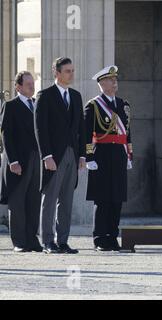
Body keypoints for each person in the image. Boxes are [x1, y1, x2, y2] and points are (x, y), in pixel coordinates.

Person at [34, 57, 86, 254]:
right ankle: (48, 241)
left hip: (72, 155)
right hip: (53, 156)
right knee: (50, 199)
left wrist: (82, 155)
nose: (71, 74)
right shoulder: (45, 96)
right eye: (67, 71)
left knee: (66, 200)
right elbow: (40, 129)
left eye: (72, 70)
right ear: (56, 73)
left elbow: (81, 127)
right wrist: (46, 156)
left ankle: (62, 240)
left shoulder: (76, 96)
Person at [84, 65, 133, 251]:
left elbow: (128, 133)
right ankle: (100, 238)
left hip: (119, 154)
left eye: (115, 79)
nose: (115, 82)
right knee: (102, 199)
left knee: (117, 199)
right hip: (102, 155)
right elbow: (87, 133)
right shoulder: (94, 105)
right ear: (102, 84)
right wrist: (89, 156)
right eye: (111, 80)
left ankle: (113, 237)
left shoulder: (123, 105)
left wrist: (129, 154)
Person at [0, 71, 42, 252]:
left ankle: (32, 240)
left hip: (36, 159)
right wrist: (13, 161)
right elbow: (6, 135)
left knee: (34, 201)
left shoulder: (37, 105)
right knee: (17, 203)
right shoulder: (10, 106)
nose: (32, 87)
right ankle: (19, 242)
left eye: (33, 84)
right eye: (28, 84)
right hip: (17, 161)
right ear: (18, 87)